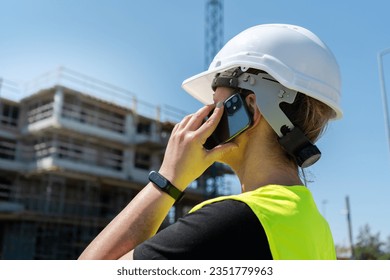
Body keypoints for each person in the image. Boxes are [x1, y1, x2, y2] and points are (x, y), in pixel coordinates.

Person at [79, 23, 341, 260]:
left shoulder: (233, 221)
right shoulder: (317, 227)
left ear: (251, 106)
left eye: (217, 104)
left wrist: (169, 179)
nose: (205, 114)